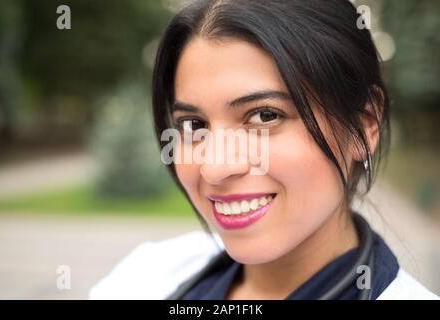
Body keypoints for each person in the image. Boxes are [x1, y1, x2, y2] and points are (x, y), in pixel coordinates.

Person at [89, 0, 439, 300]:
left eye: (264, 115)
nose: (214, 167)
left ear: (365, 123)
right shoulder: (145, 277)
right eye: (194, 125)